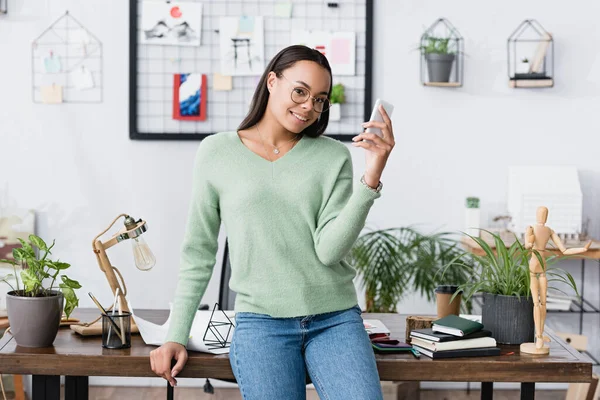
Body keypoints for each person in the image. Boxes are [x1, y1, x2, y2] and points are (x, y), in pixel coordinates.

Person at [150, 44, 395, 399]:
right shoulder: (216, 152)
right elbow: (199, 252)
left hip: (335, 319)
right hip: (261, 322)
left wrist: (372, 174)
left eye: (320, 99)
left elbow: (329, 252)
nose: (309, 106)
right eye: (300, 91)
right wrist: (176, 334)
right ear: (271, 81)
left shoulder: (332, 156)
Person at [523, 206, 590, 352]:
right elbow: (564, 250)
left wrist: (582, 249)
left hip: (536, 266)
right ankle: (539, 335)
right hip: (540, 266)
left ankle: (539, 335)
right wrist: (582, 249)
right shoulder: (543, 230)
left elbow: (528, 246)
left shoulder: (535, 228)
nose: (543, 216)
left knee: (540, 303)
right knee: (539, 303)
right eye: (543, 213)